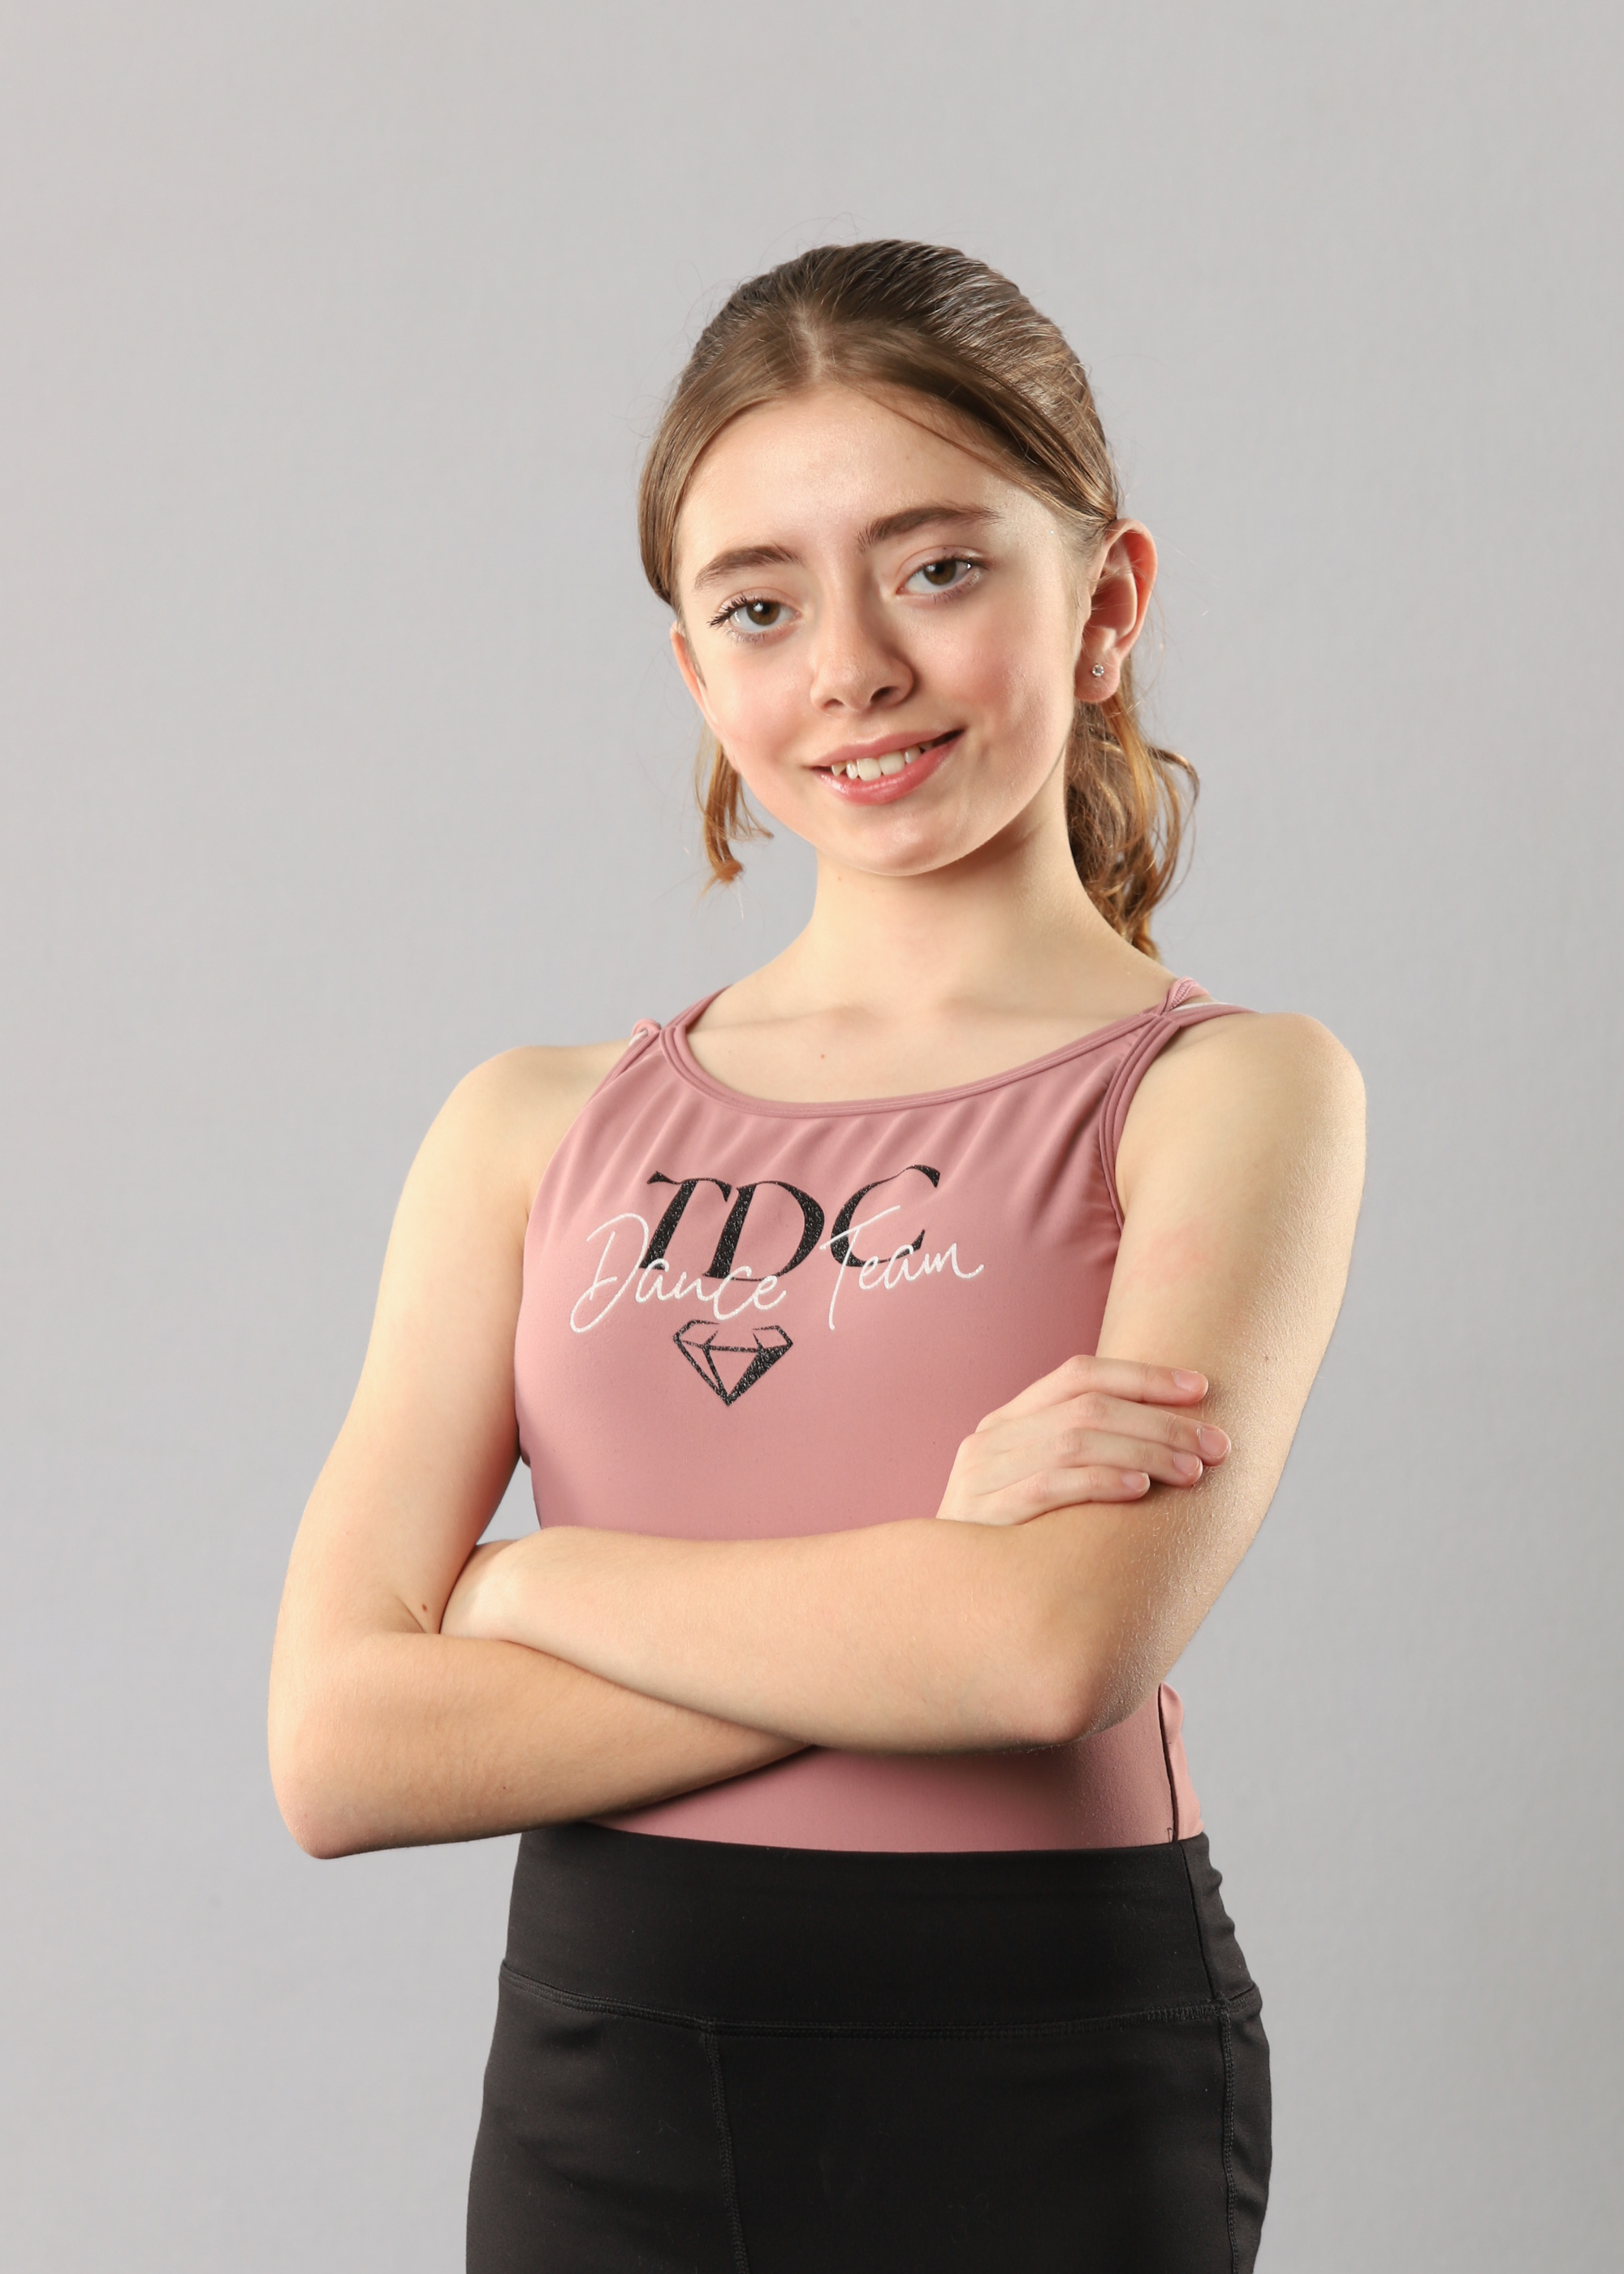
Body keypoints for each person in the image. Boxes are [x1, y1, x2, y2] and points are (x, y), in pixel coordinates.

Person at [269, 240, 1365, 2272]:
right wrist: (929, 1577)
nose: (849, 665)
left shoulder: (1227, 1091)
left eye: (936, 568)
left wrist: (531, 1586)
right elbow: (341, 1747)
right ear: (697, 671)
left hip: (1043, 2062)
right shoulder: (530, 1125)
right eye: (760, 603)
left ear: (1106, 603)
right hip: (607, 2069)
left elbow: (1046, 1656)